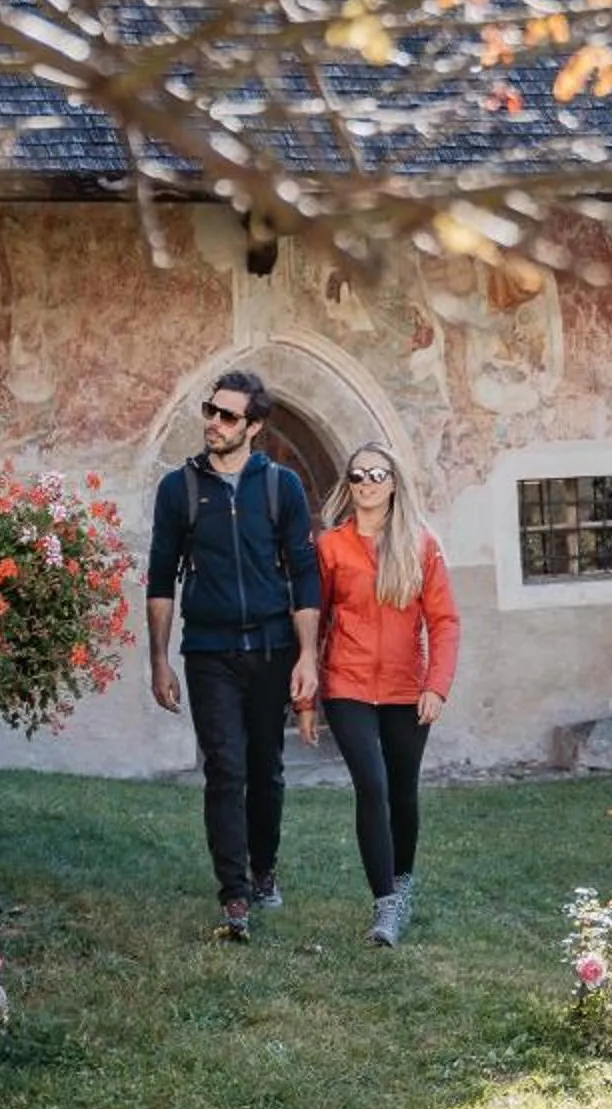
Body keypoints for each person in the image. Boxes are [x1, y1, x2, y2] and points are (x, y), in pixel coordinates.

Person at [147, 370, 322, 943]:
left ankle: (263, 868)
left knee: (266, 770)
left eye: (226, 416)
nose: (213, 423)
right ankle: (235, 895)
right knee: (225, 769)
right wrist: (159, 659)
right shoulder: (179, 489)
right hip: (209, 650)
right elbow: (160, 578)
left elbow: (303, 576)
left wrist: (307, 657)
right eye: (210, 411)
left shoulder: (283, 488)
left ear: (254, 426)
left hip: (271, 648)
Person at [312, 441, 459, 948]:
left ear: (394, 482)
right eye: (357, 476)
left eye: (377, 474)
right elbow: (316, 620)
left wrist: (436, 685)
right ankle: (386, 906)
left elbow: (444, 622)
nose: (367, 483)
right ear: (349, 485)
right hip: (346, 684)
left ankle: (403, 880)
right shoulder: (331, 547)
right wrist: (308, 695)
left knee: (402, 790)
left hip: (406, 689)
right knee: (372, 786)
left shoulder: (421, 545)